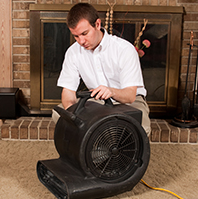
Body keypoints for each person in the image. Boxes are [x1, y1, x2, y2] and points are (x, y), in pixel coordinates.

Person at [52, 3, 151, 135]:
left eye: (84, 33)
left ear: (97, 24)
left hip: (129, 102)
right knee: (58, 113)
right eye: (76, 36)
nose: (81, 41)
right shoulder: (73, 52)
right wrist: (73, 115)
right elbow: (68, 91)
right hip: (96, 102)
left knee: (140, 125)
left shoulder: (124, 50)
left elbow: (130, 96)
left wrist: (111, 91)